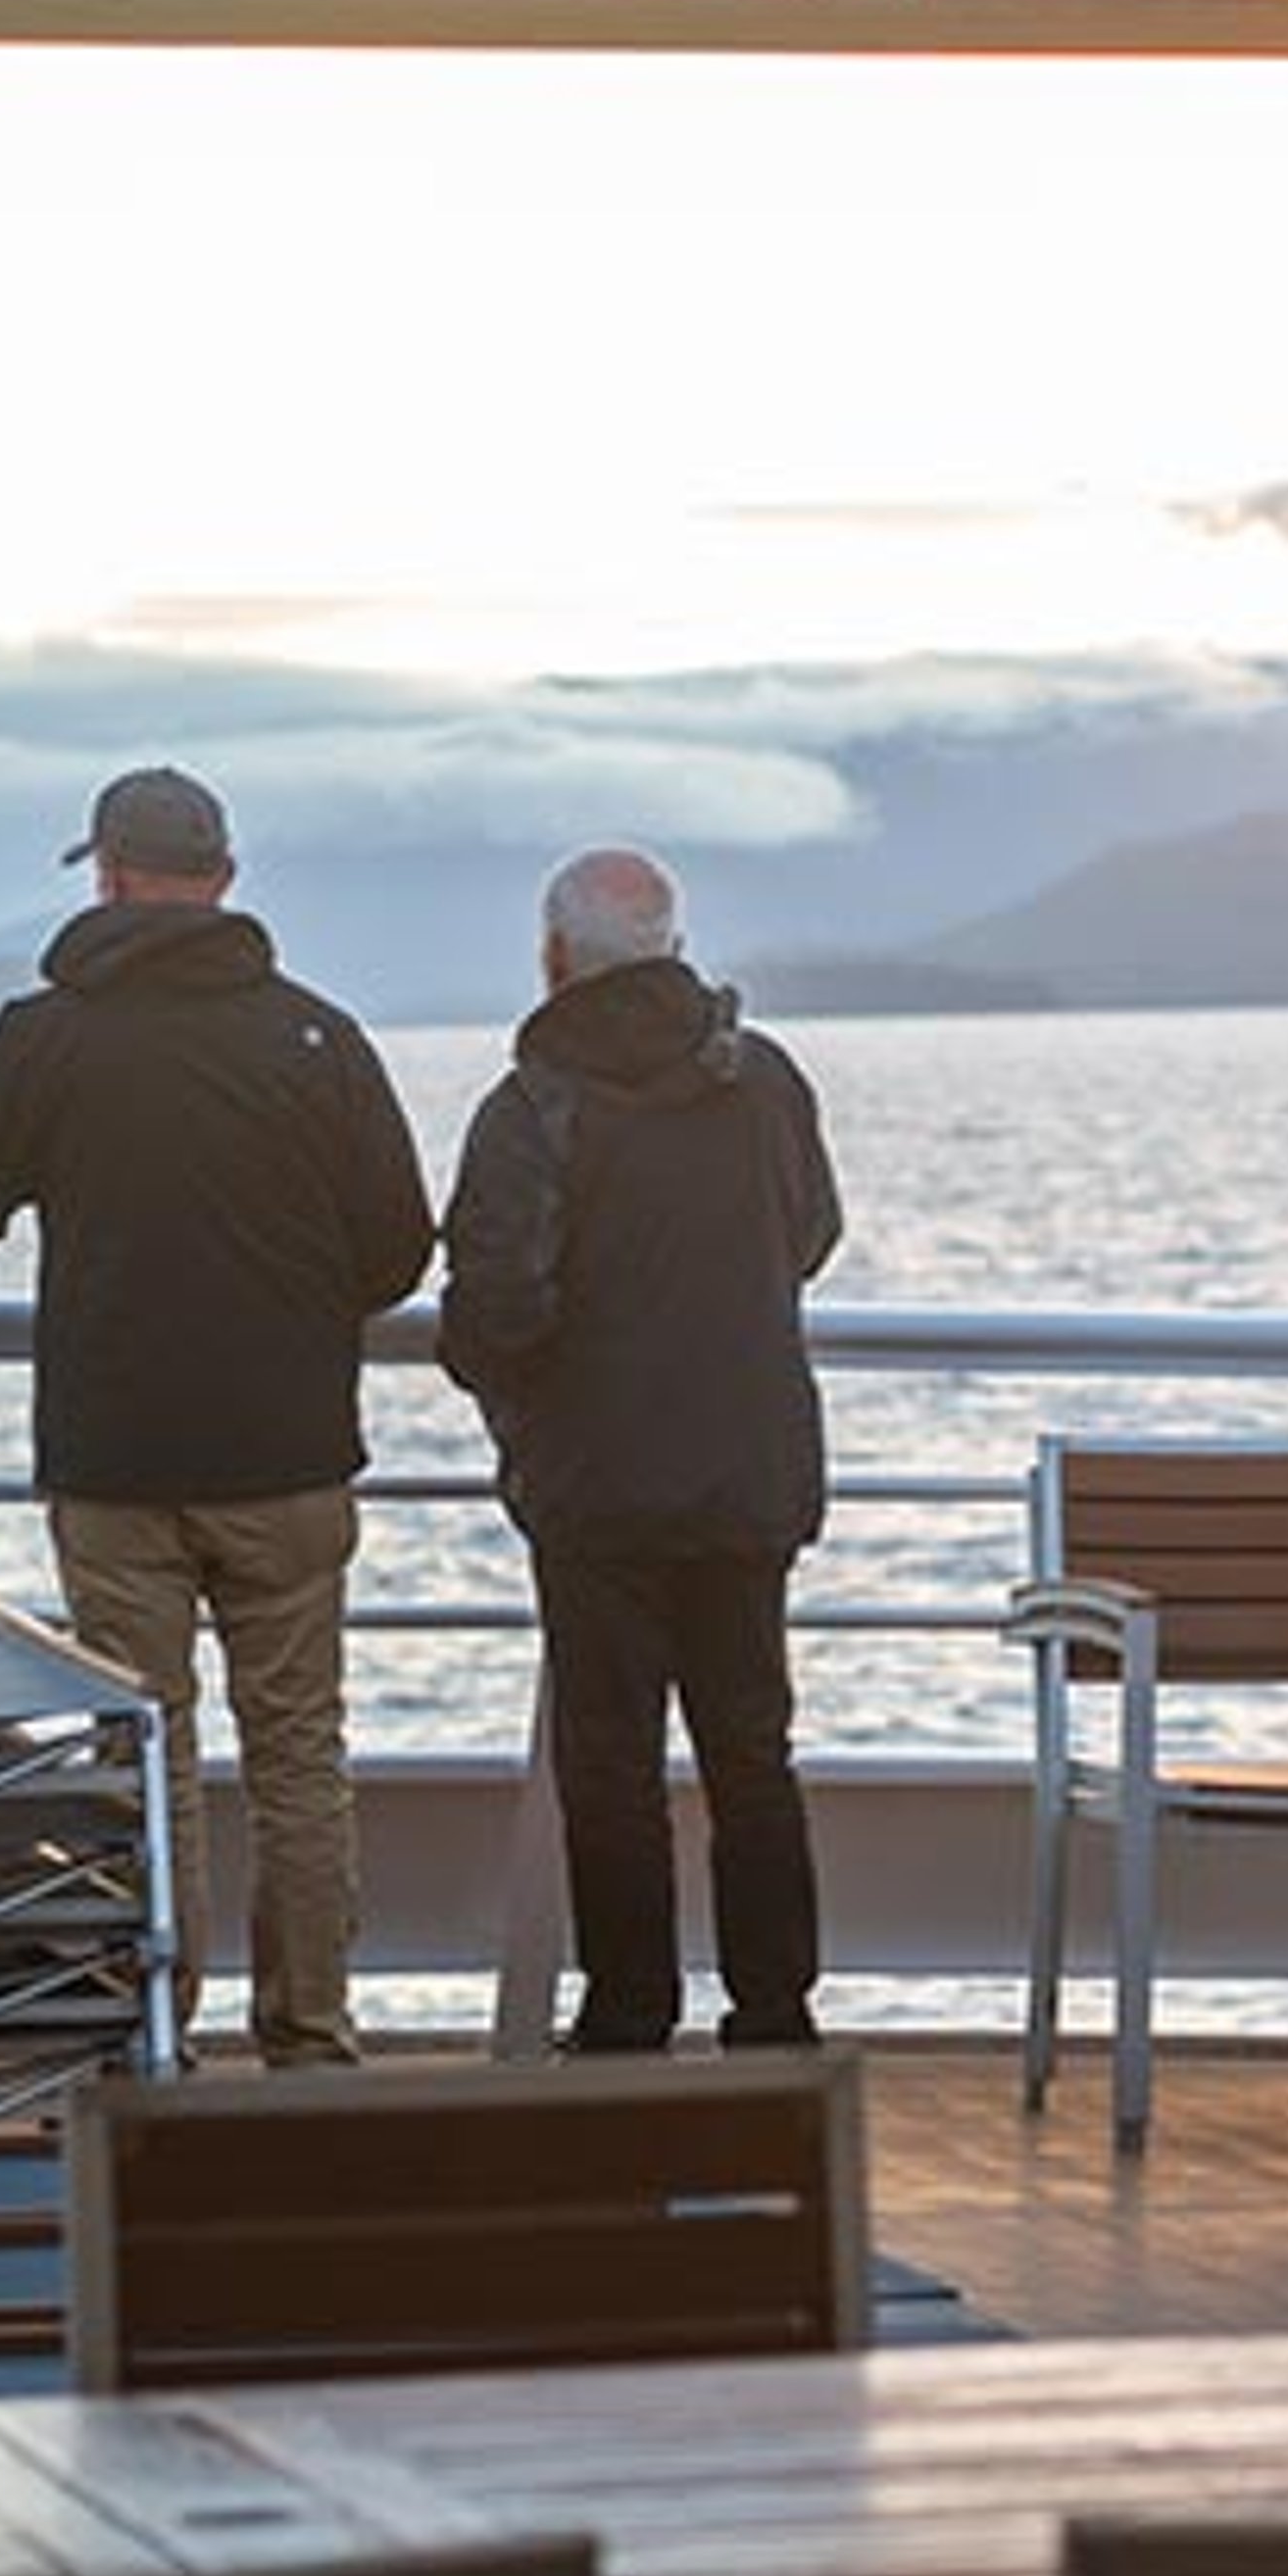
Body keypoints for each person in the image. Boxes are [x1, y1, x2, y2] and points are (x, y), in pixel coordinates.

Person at [0, 765, 433, 2067]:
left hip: (118, 1466)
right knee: (300, 1758)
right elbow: (394, 1249)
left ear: (106, 875)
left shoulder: (46, 1041)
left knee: (147, 1755)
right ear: (224, 879)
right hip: (288, 1458)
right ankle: (312, 2041)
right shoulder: (317, 1039)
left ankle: (159, 2039)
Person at [438, 847, 843, 2056]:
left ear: (555, 956)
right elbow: (811, 1235)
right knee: (752, 1752)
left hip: (598, 1487)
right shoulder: (763, 1079)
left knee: (611, 1765)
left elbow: (498, 1308)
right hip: (747, 1471)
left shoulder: (533, 1108)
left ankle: (627, 2018)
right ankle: (775, 2016)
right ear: (673, 946)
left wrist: (511, 1393)